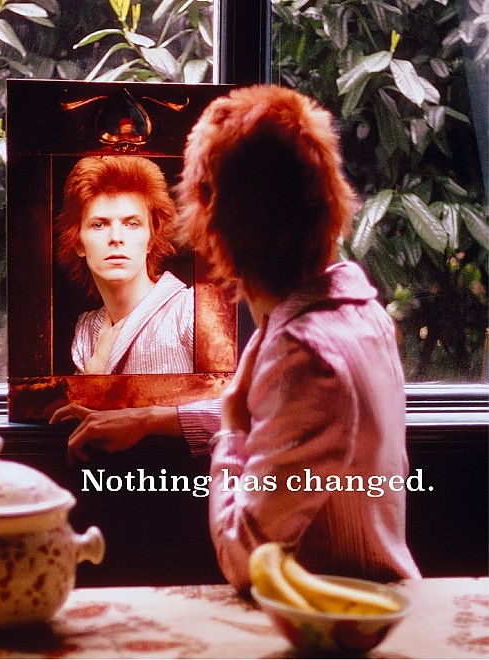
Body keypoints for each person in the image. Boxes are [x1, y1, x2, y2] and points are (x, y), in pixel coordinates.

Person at [52, 84, 421, 589]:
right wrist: (153, 418)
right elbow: (295, 421)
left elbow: (241, 554)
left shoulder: (303, 352)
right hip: (371, 599)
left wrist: (229, 424)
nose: (116, 237)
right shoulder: (362, 315)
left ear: (211, 224)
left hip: (328, 619)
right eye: (99, 224)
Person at [55, 155, 193, 375]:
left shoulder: (188, 311)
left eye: (132, 224)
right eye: (99, 225)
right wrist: (94, 373)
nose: (116, 238)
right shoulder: (86, 331)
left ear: (151, 238)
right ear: (78, 243)